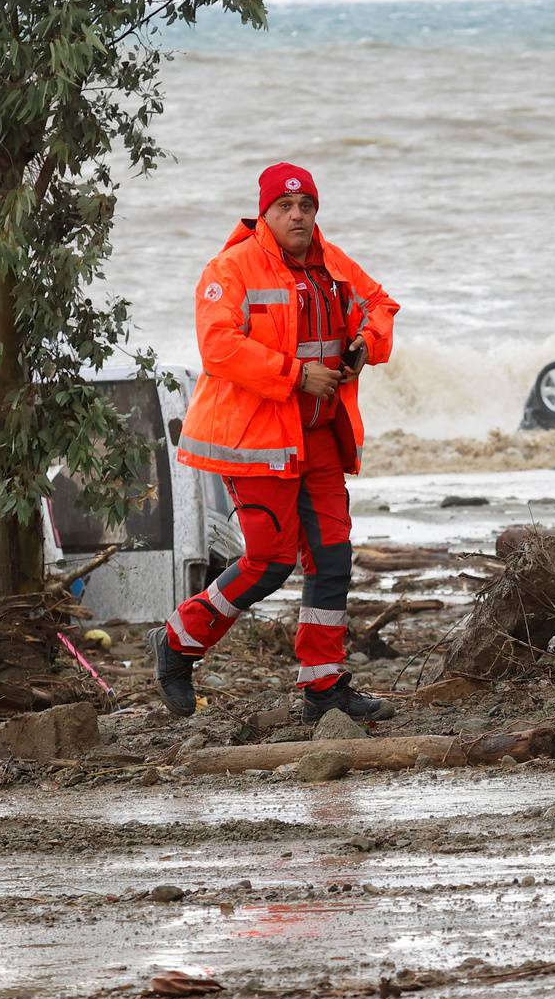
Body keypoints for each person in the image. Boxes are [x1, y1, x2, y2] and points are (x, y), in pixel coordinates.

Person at [147, 162, 400, 721]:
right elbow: (218, 346)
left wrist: (364, 342)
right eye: (285, 208)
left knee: (332, 560)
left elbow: (380, 305)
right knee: (269, 562)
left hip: (319, 442)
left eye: (306, 207)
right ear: (264, 212)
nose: (297, 216)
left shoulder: (332, 264)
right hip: (256, 443)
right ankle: (178, 639)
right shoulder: (231, 268)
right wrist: (293, 375)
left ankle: (324, 689)